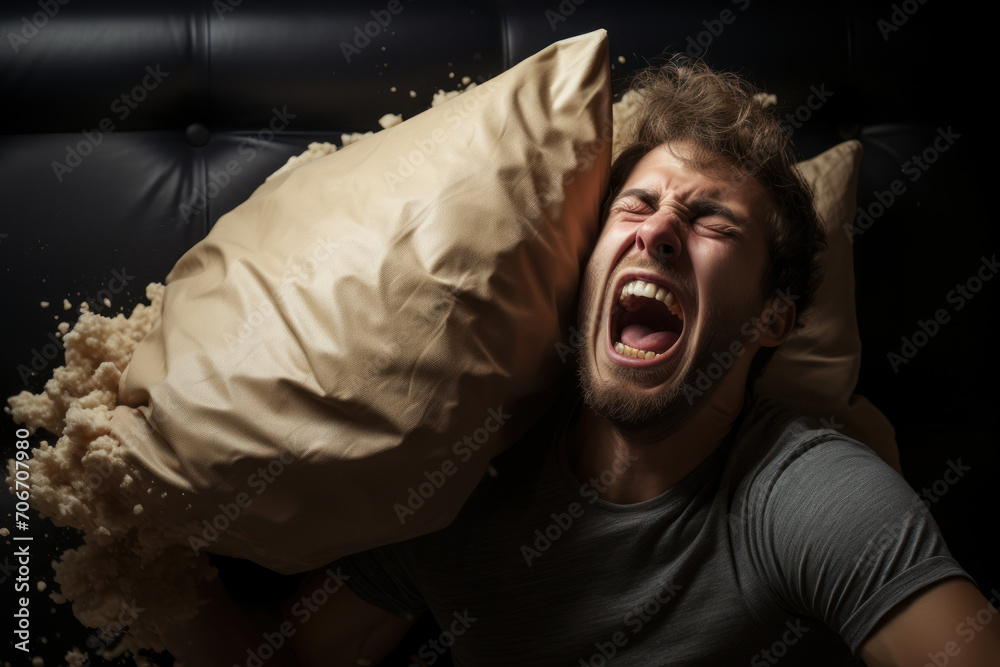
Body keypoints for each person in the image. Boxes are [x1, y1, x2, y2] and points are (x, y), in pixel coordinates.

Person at [279, 59, 1000, 666]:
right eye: (637, 205)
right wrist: (164, 566)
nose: (657, 229)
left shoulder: (803, 491)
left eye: (712, 217)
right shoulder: (465, 475)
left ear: (770, 316)